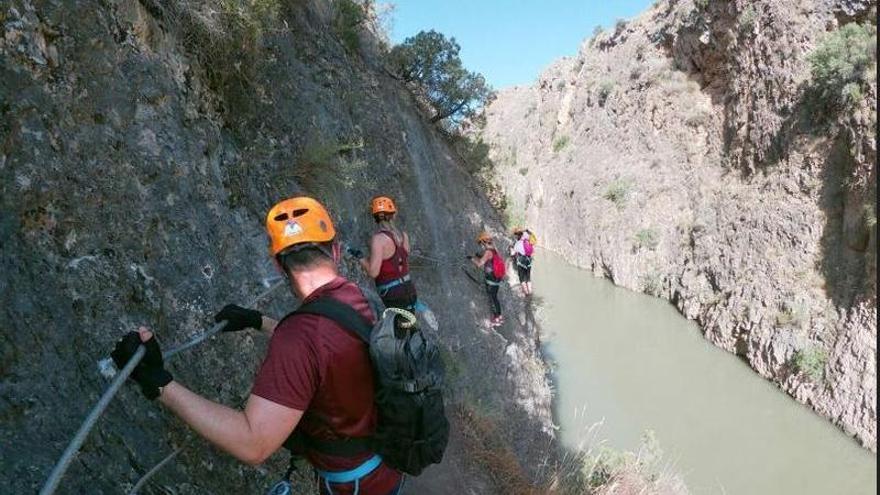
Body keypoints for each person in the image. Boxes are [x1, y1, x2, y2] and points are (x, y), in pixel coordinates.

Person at [111, 196, 403, 495]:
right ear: (336, 251)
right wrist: (257, 320)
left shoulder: (300, 337)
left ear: (278, 266)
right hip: (384, 466)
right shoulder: (356, 298)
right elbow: (326, 348)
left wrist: (159, 383)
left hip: (355, 485)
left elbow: (253, 443)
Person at [351, 196, 418, 312]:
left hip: (393, 294)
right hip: (409, 289)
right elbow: (401, 262)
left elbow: (373, 272)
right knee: (409, 324)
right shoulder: (403, 235)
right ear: (393, 214)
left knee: (398, 327)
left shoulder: (378, 239)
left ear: (375, 217)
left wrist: (360, 257)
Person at [468, 231, 504, 327]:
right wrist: (479, 256)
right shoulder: (494, 250)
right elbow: (490, 259)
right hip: (497, 278)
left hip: (492, 280)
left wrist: (471, 258)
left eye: (480, 243)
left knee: (492, 298)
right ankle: (499, 317)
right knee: (495, 298)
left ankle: (497, 319)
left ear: (484, 242)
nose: (481, 246)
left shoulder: (488, 252)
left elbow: (480, 264)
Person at [510, 228, 533, 296]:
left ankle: (527, 294)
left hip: (521, 260)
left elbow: (513, 254)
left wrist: (511, 249)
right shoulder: (527, 240)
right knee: (528, 278)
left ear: (517, 235)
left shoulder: (518, 243)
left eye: (516, 235)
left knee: (522, 279)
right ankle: (530, 292)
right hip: (529, 260)